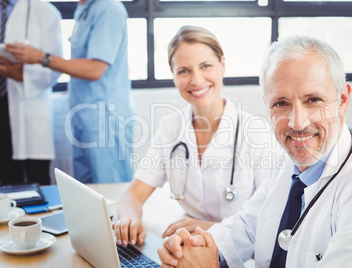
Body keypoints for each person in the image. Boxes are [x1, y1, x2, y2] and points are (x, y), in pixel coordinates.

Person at [158, 36, 352, 267]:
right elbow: (247, 225)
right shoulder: (289, 163)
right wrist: (201, 248)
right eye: (281, 103)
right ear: (267, 106)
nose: (297, 123)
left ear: (343, 100)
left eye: (313, 100)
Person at [113, 25, 279, 247]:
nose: (196, 80)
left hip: (242, 251)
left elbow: (272, 219)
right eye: (183, 70)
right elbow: (132, 195)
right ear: (173, 76)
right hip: (187, 246)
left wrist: (207, 228)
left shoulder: (255, 133)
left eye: (206, 66)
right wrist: (129, 218)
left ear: (222, 65)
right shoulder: (170, 128)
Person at [6, 0, 134, 183]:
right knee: (89, 194)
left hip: (105, 120)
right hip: (84, 118)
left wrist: (41, 57)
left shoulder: (108, 9)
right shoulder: (84, 9)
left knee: (111, 191)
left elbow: (95, 69)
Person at [0, 0, 62, 185]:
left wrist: (19, 74)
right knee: (5, 179)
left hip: (28, 104)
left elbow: (54, 68)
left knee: (38, 179)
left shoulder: (45, 12)